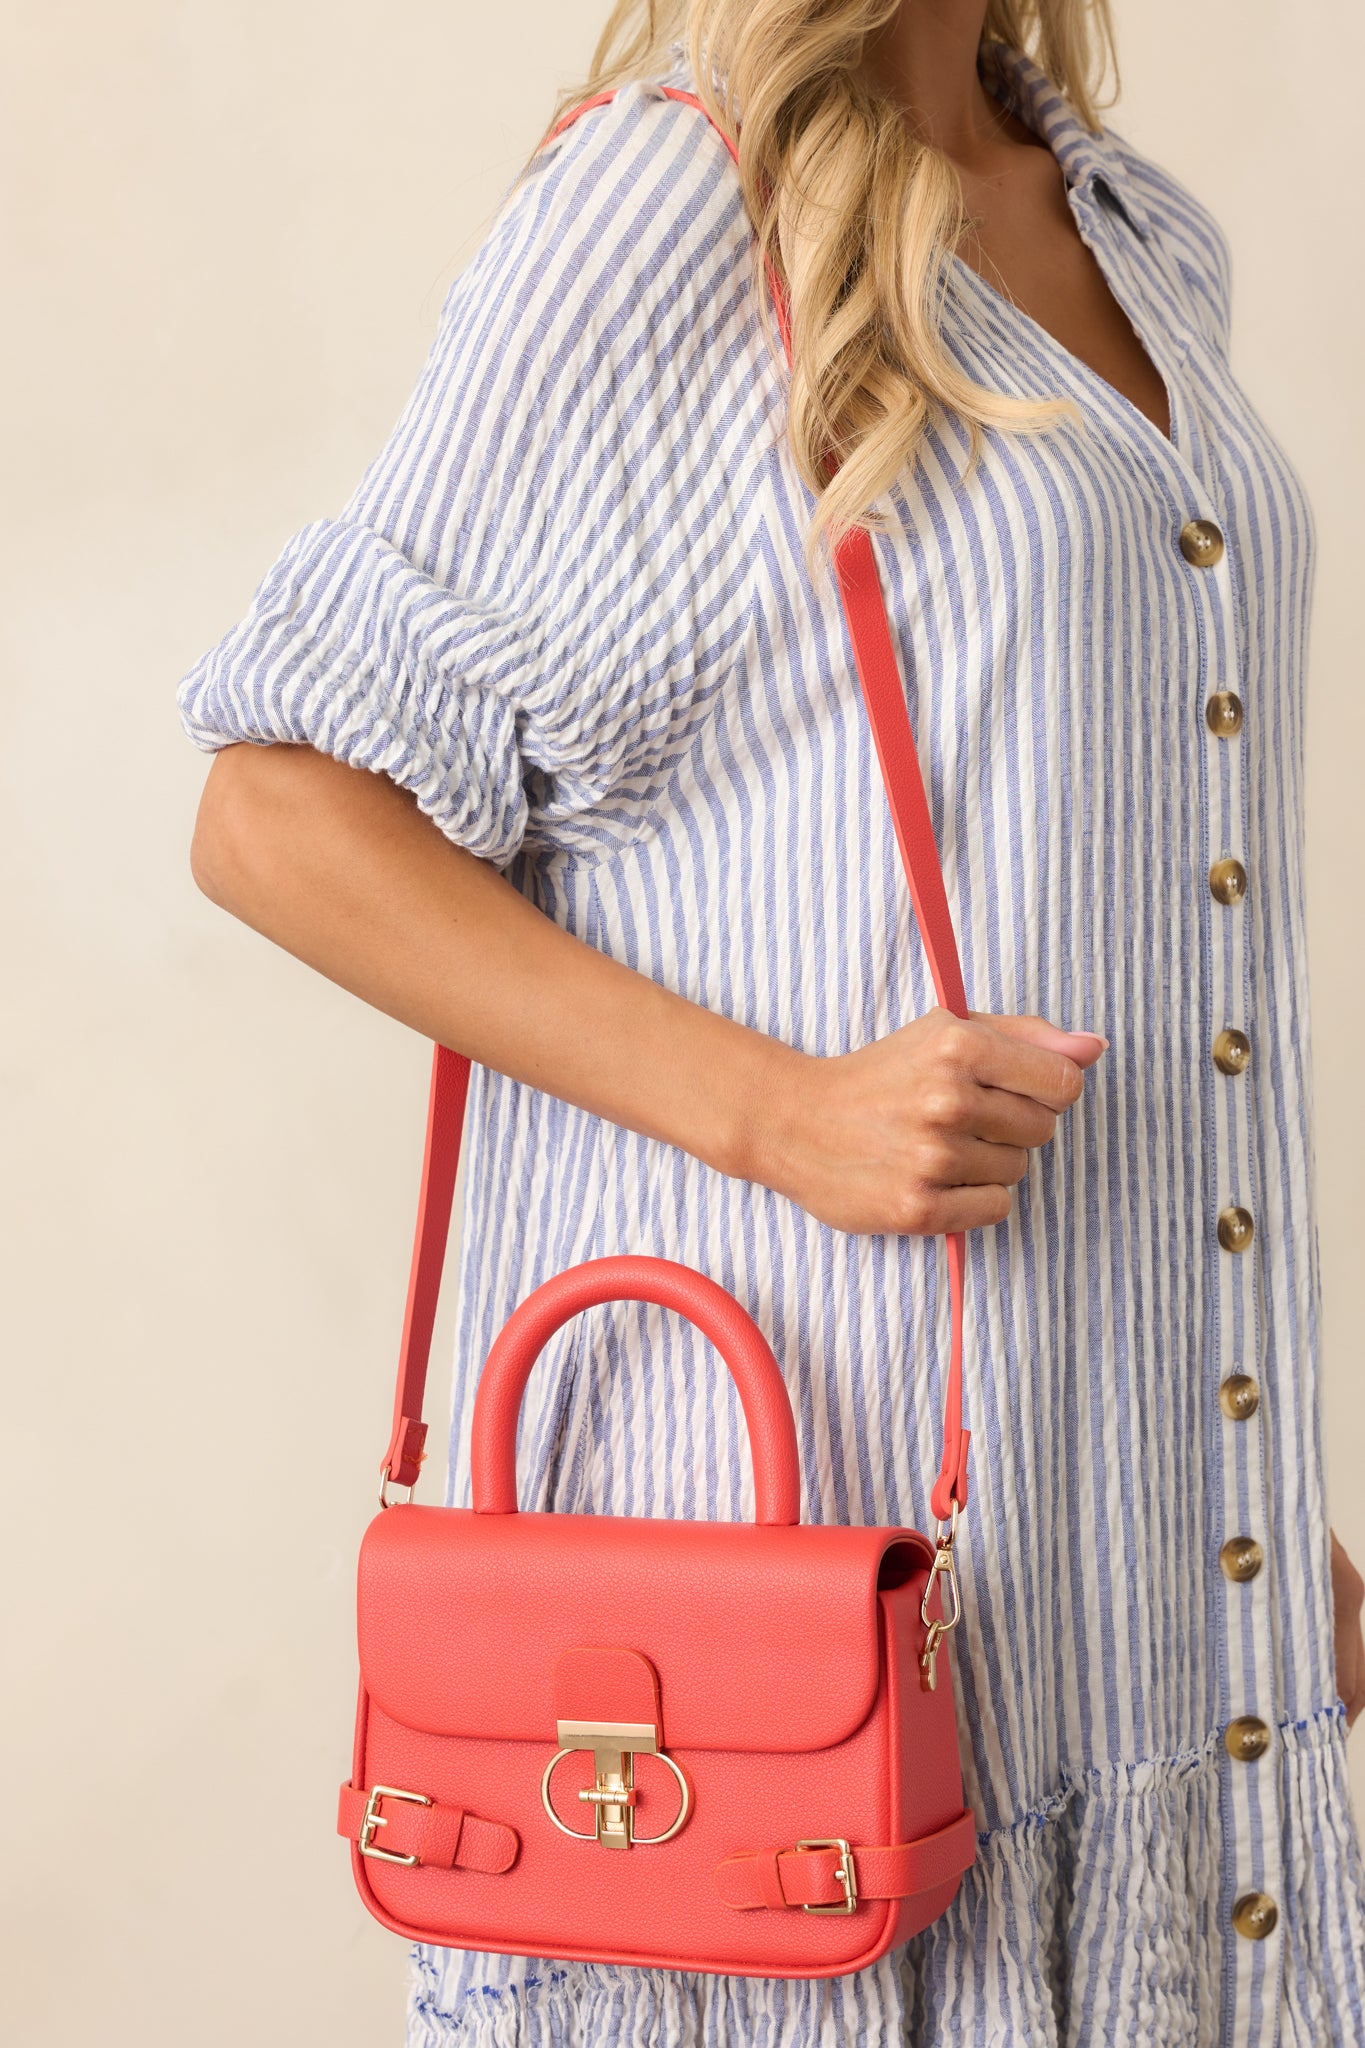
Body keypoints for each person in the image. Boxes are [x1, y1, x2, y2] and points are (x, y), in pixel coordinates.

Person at [176, 1, 1365, 2041]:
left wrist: (1248, 1515)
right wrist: (780, 1113)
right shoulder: (667, 204)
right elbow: (278, 812)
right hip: (811, 1683)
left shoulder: (1124, 218)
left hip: (1160, 1643)